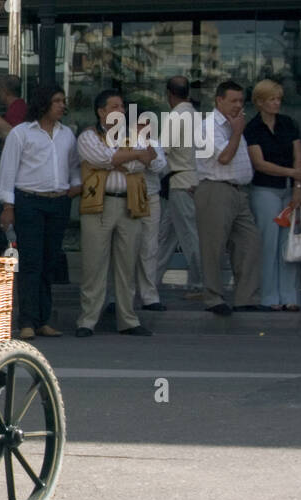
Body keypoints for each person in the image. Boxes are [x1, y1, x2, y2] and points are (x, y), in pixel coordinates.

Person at [0, 85, 81, 339]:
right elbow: (7, 170)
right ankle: (27, 321)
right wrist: (8, 206)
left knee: (49, 262)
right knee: (31, 263)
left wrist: (75, 185)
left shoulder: (67, 134)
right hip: (29, 202)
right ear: (44, 103)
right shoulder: (22, 133)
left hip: (58, 203)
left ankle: (43, 319)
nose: (62, 105)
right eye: (56, 100)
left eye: (63, 101)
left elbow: (73, 165)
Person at [75, 90, 155, 338]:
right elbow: (100, 157)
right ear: (101, 111)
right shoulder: (88, 135)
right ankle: (87, 321)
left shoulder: (133, 135)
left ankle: (128, 320)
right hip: (99, 205)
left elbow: (145, 161)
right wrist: (125, 157)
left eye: (122, 107)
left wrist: (117, 160)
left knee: (126, 265)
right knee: (93, 266)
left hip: (129, 204)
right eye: (115, 106)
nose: (121, 111)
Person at [195, 79, 261, 315]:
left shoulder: (235, 124)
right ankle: (213, 298)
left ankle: (246, 298)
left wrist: (237, 129)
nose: (237, 105)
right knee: (213, 246)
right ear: (219, 100)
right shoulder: (207, 127)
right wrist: (238, 132)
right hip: (215, 189)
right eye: (233, 100)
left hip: (238, 191)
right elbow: (224, 157)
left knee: (249, 243)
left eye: (241, 101)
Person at [244, 79, 301, 311]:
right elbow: (259, 164)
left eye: (278, 98)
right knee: (268, 244)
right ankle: (269, 297)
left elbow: (298, 156)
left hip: (289, 189)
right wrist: (292, 172)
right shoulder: (253, 128)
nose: (276, 103)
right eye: (272, 99)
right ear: (260, 102)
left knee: (288, 244)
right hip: (265, 190)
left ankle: (290, 296)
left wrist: (298, 187)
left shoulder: (288, 123)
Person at [154, 76, 204, 299]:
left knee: (189, 237)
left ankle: (200, 284)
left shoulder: (176, 117)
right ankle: (150, 281)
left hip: (180, 182)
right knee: (166, 236)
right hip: (191, 180)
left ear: (169, 93)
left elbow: (163, 152)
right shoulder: (196, 115)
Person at [131, 103, 169, 312]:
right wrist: (142, 157)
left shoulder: (153, 142)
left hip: (150, 197)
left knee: (149, 247)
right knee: (123, 249)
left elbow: (160, 166)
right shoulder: (121, 141)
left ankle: (149, 295)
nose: (144, 127)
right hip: (127, 197)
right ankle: (116, 297)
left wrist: (147, 154)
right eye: (140, 123)